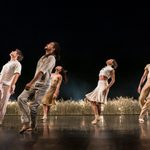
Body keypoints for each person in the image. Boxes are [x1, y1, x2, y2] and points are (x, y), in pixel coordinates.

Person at [17, 41, 60, 133]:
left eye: (50, 44)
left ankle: (32, 127)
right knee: (21, 98)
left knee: (33, 106)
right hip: (36, 83)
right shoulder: (42, 57)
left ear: (53, 49)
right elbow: (38, 71)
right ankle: (27, 122)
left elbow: (41, 71)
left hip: (43, 85)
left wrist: (31, 83)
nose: (47, 44)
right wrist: (33, 82)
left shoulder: (52, 58)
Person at [85, 59, 118, 125]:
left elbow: (113, 80)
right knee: (94, 101)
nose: (108, 59)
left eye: (110, 60)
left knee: (96, 102)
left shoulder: (111, 69)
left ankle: (97, 117)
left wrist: (107, 88)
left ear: (112, 63)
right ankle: (97, 117)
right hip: (99, 84)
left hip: (104, 85)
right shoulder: (104, 68)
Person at [0, 49, 23, 125]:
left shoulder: (17, 64)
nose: (12, 51)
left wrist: (12, 85)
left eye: (15, 51)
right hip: (1, 84)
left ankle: (0, 120)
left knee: (2, 104)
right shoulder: (8, 63)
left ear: (17, 55)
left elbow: (16, 74)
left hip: (7, 86)